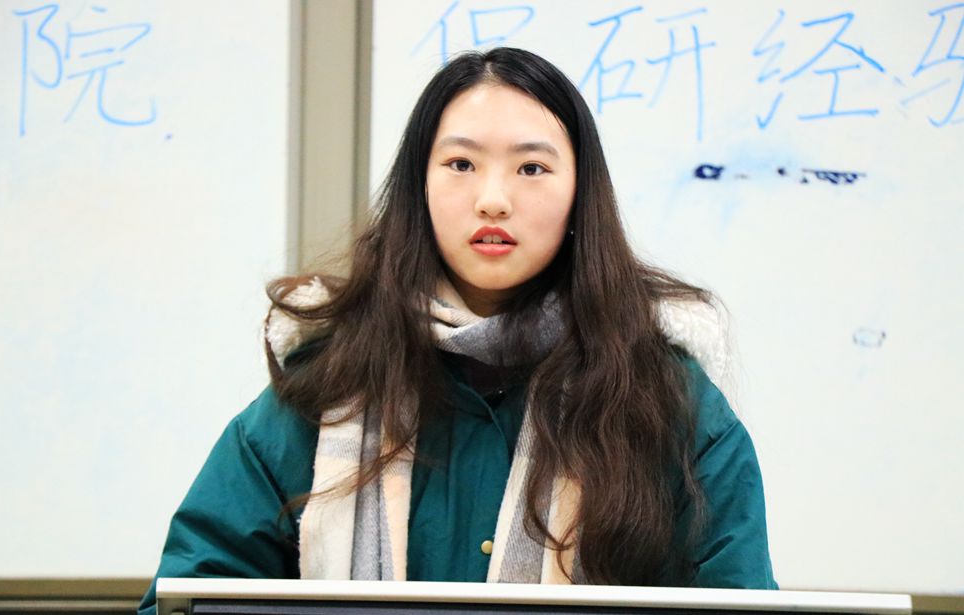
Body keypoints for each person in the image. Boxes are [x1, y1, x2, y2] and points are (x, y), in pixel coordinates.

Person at [138, 47, 775, 614]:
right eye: (461, 163)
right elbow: (191, 593)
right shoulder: (331, 381)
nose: (492, 198)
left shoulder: (666, 396)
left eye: (531, 168)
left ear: (580, 194)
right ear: (419, 185)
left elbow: (740, 603)